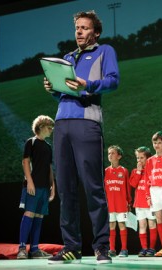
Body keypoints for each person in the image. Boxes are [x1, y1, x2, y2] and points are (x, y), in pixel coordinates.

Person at [44, 10, 119, 264]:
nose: (79, 31)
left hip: (87, 123)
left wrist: (88, 84)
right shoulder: (66, 57)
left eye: (85, 28)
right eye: (77, 27)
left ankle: (101, 247)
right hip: (62, 124)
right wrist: (53, 88)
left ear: (95, 32)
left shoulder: (104, 51)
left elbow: (113, 81)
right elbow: (64, 91)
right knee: (66, 189)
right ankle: (71, 246)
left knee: (93, 187)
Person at [17, 115, 56, 259]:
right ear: (41, 127)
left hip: (45, 188)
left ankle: (34, 250)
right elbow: (25, 162)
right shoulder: (31, 142)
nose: (51, 130)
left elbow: (49, 167)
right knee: (29, 214)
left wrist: (53, 185)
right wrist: (30, 182)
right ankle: (21, 249)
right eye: (49, 127)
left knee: (39, 216)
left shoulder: (48, 146)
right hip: (32, 186)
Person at [129, 146, 158, 257]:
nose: (139, 160)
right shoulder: (135, 171)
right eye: (137, 158)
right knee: (142, 226)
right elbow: (133, 184)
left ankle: (151, 249)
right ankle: (144, 248)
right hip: (139, 204)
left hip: (150, 203)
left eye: (141, 158)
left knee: (152, 224)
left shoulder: (152, 170)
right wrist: (138, 172)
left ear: (148, 158)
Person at [104, 145, 132, 258]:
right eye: (109, 153)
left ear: (119, 156)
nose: (110, 155)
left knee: (122, 224)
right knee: (111, 225)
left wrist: (129, 202)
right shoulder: (105, 171)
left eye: (113, 153)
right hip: (110, 204)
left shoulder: (124, 171)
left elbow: (127, 189)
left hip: (121, 204)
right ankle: (112, 249)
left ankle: (124, 249)